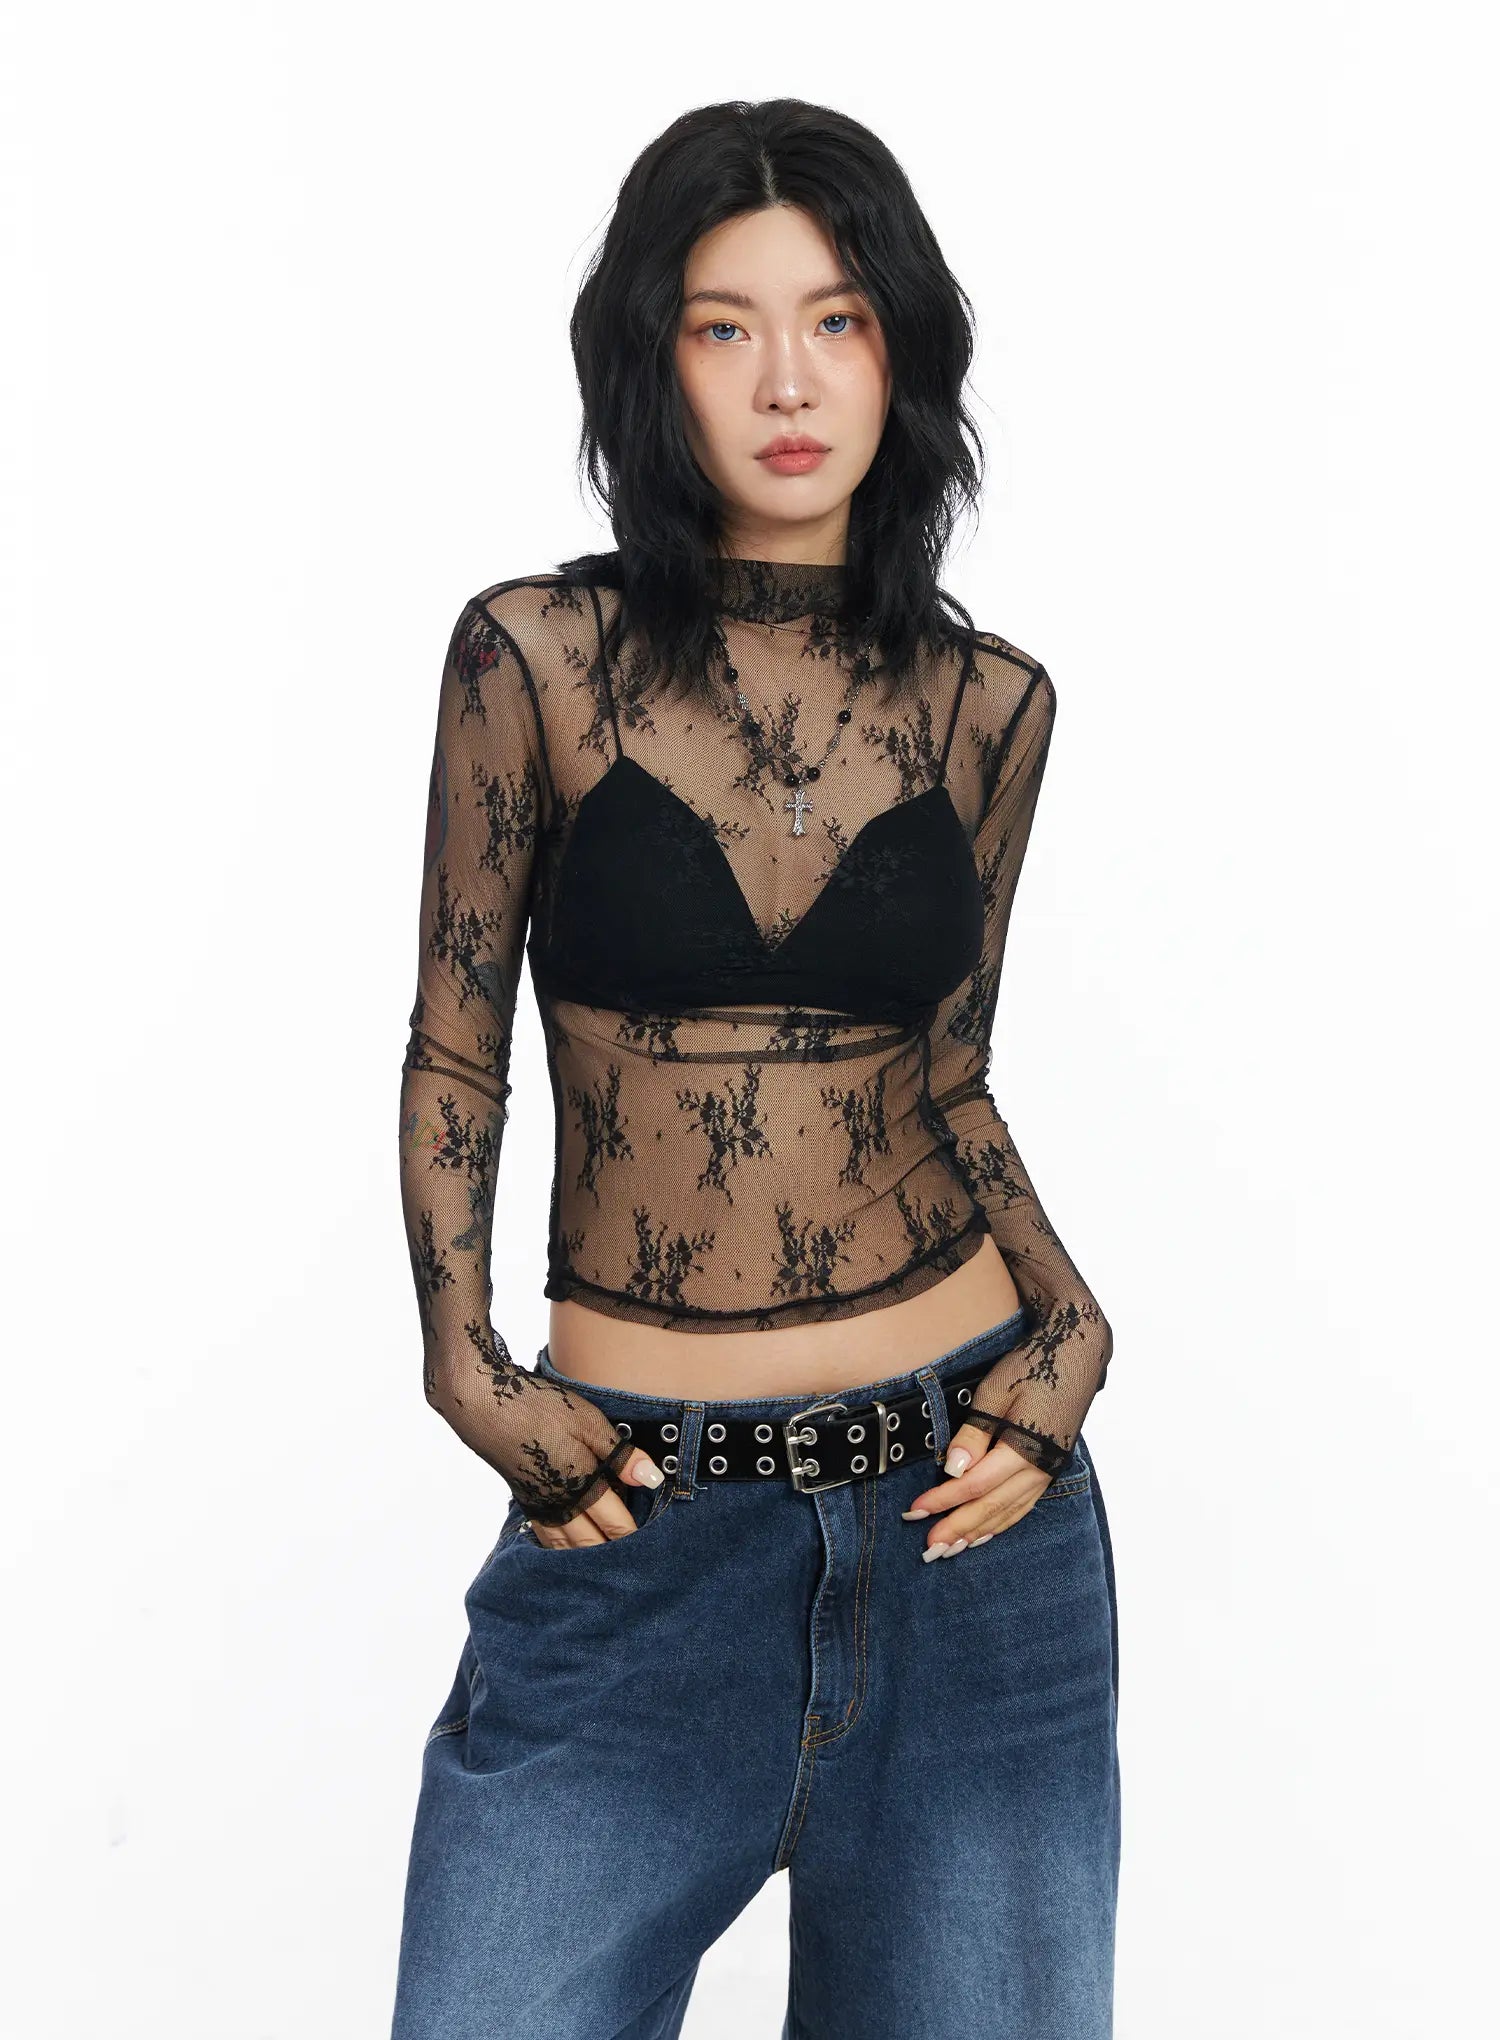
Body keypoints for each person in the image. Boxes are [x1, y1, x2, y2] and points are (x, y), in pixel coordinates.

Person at [390, 97, 1120, 2040]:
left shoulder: (990, 703)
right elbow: (460, 1039)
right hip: (638, 1519)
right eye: (726, 326)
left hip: (977, 1531)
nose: (789, 381)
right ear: (655, 360)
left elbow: (948, 1077)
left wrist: (1071, 1326)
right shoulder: (535, 659)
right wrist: (465, 1359)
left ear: (902, 352)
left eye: (838, 320)